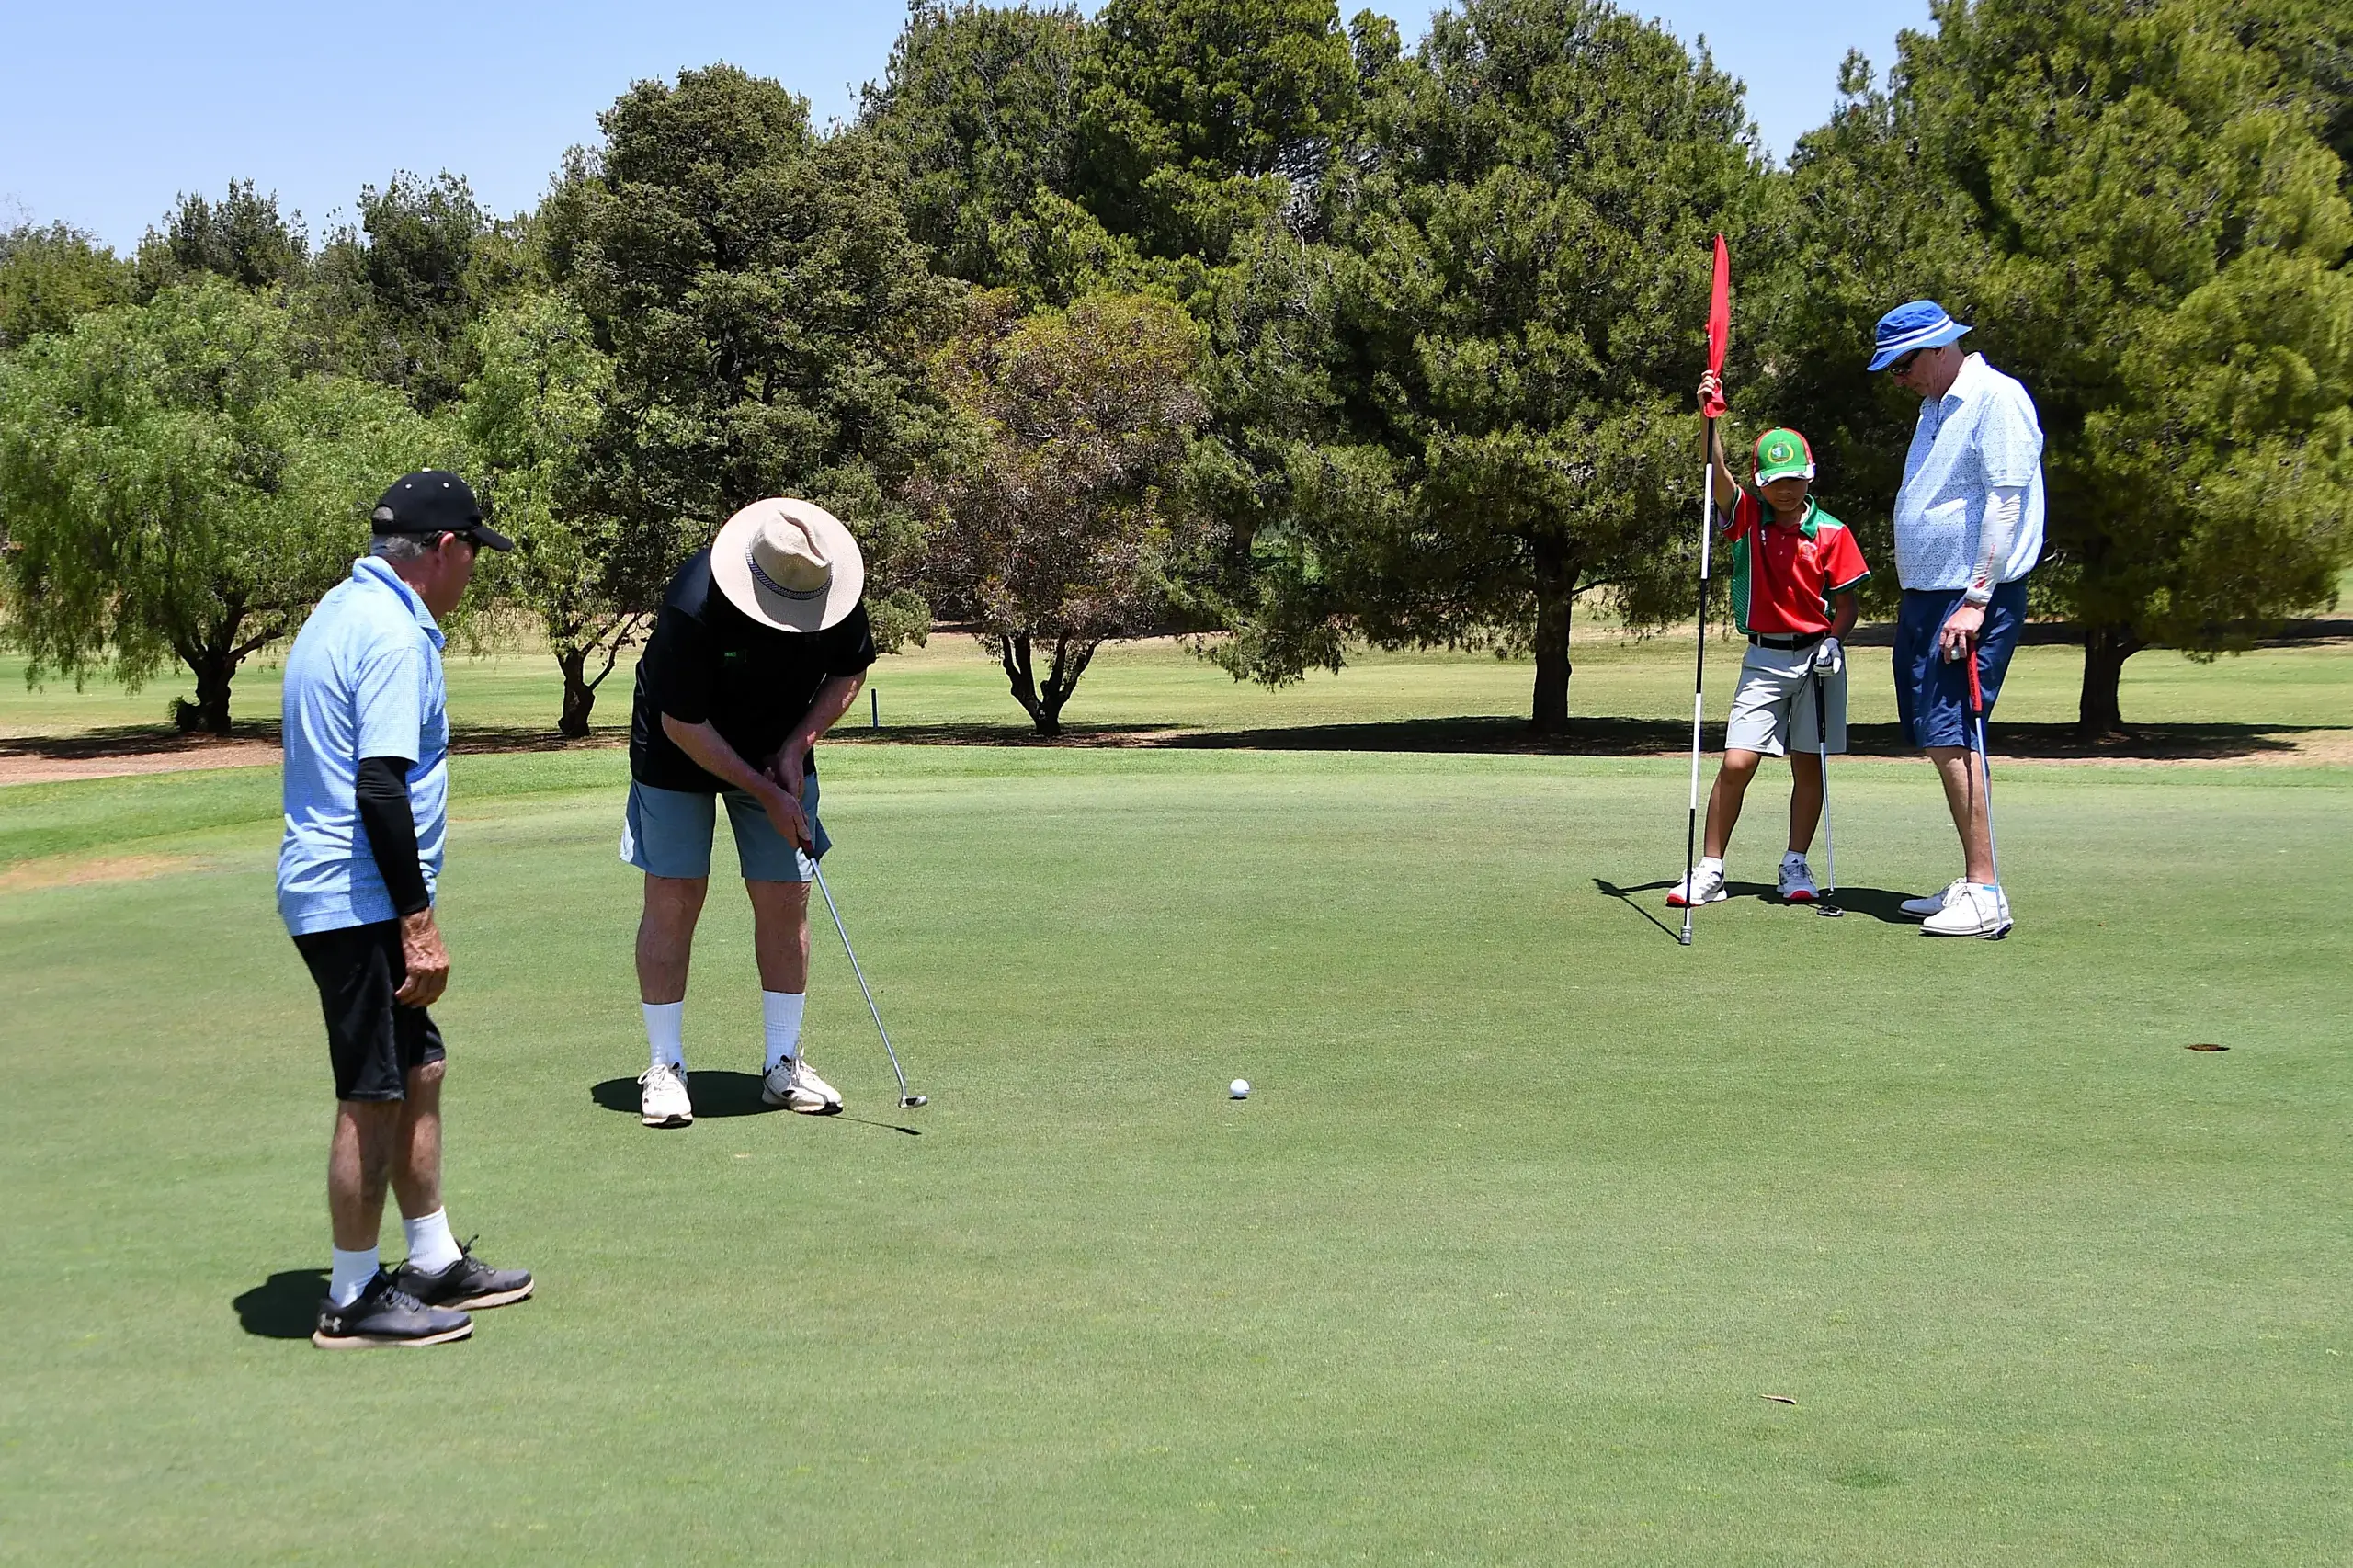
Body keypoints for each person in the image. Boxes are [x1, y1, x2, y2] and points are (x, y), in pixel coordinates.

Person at [278, 472, 533, 1350]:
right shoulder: (393, 636)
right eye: (473, 557)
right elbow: (379, 782)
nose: (474, 578)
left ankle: (428, 1256)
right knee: (372, 1091)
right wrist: (417, 921)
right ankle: (352, 1298)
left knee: (419, 1067)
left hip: (354, 890)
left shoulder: (342, 609)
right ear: (445, 550)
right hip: (357, 898)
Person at [623, 497, 876, 1128]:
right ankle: (664, 1066)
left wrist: (797, 747)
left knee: (786, 895)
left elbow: (851, 671)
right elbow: (682, 723)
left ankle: (783, 1064)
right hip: (680, 747)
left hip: (778, 746)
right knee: (676, 894)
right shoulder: (694, 601)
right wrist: (764, 791)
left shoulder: (831, 588)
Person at [1868, 300, 2046, 938]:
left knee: (1954, 733)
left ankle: (1987, 889)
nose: (1897, 378)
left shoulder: (1996, 399)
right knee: (1936, 734)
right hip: (1928, 597)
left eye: (1903, 365)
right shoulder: (1933, 406)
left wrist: (1975, 598)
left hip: (1967, 600)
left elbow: (2006, 501)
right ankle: (1973, 878)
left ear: (1940, 348)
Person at [1669, 378, 1871, 909]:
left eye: (1794, 479)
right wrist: (1708, 419)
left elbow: (1847, 605)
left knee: (1809, 765)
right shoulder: (1749, 519)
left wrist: (1835, 641)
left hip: (1818, 661)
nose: (1785, 490)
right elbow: (1718, 478)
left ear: (1809, 478)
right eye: (1775, 481)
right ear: (1761, 483)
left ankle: (1794, 862)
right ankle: (1711, 868)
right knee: (1738, 762)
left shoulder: (1833, 532)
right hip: (1763, 656)